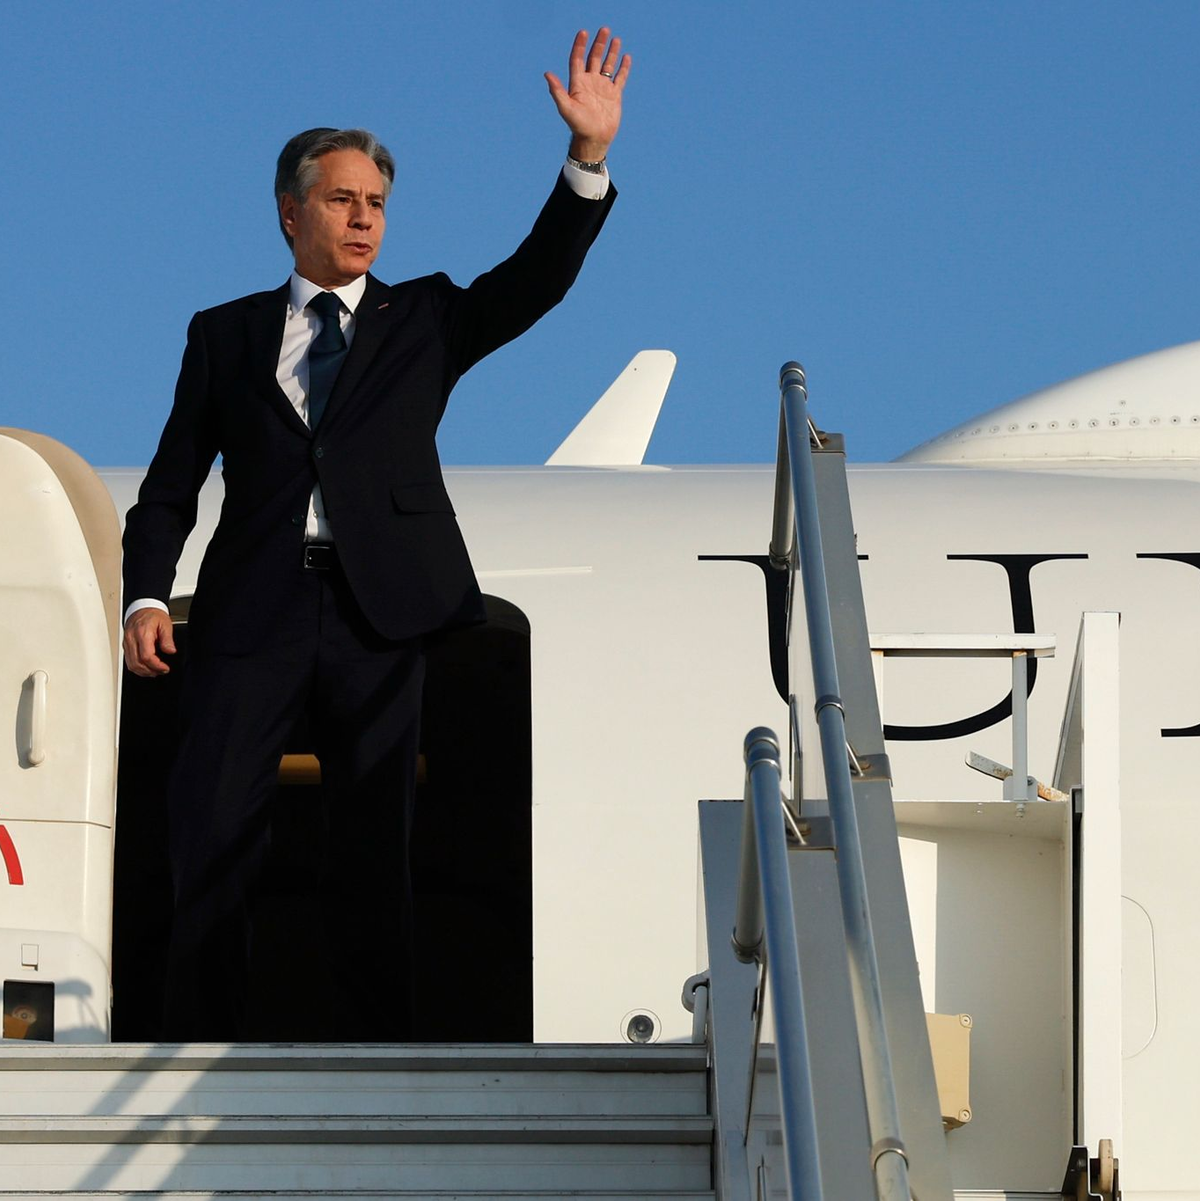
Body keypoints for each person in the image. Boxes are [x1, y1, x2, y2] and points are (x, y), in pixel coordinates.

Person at [121, 28, 631, 1041]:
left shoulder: (426, 317)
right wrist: (145, 592)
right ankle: (196, 1041)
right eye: (343, 200)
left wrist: (587, 159)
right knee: (212, 826)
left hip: (380, 613)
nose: (364, 219)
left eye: (378, 204)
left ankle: (379, 1052)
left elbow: (536, 278)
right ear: (290, 211)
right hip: (252, 611)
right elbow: (171, 483)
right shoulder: (223, 334)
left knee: (373, 839)